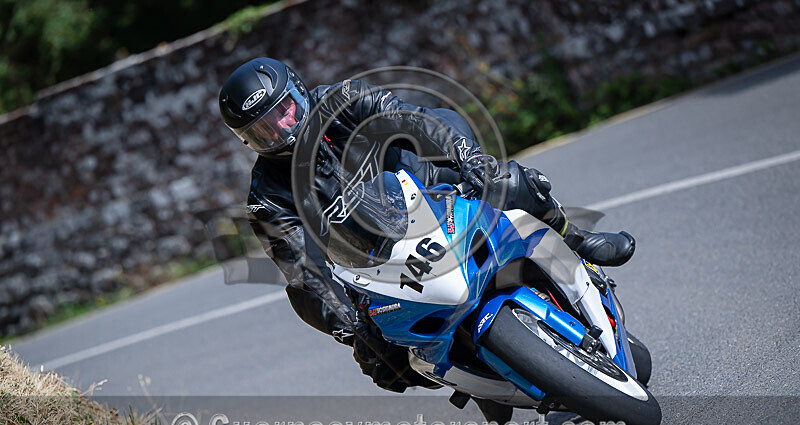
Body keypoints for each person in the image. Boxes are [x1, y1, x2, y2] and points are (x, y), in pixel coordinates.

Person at [218, 57, 636, 392]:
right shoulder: (266, 197)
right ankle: (481, 377)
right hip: (375, 265)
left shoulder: (344, 100)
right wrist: (352, 328)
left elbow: (412, 119)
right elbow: (302, 271)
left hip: (434, 192)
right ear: (248, 141)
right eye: (264, 130)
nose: (282, 129)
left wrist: (469, 159)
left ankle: (575, 238)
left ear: (298, 92)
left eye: (284, 112)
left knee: (509, 182)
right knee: (384, 365)